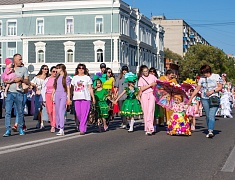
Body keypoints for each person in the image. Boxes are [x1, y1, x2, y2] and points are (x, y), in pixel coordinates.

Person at [188, 65, 223, 138]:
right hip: (204, 98)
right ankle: (209, 128)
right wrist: (191, 98)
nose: (204, 74)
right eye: (203, 73)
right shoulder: (201, 79)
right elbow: (197, 89)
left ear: (208, 71)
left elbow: (220, 87)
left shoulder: (216, 76)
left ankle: (210, 131)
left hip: (214, 97)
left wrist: (212, 91)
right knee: (207, 115)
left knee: (211, 115)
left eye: (205, 72)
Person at [3, 54, 29, 137]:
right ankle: (8, 130)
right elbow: (4, 79)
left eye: (21, 59)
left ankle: (21, 128)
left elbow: (27, 81)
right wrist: (7, 81)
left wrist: (21, 79)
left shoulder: (24, 69)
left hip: (19, 93)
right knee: (7, 112)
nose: (21, 61)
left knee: (20, 111)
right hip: (10, 93)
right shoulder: (9, 68)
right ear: (14, 60)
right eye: (19, 59)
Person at [71, 64, 95, 135]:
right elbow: (72, 88)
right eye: (79, 68)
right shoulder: (74, 78)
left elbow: (90, 88)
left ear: (84, 69)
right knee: (78, 114)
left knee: (84, 113)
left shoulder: (87, 78)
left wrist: (93, 97)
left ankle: (82, 129)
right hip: (76, 97)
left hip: (86, 97)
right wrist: (69, 96)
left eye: (82, 68)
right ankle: (83, 125)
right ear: (77, 69)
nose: (81, 70)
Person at [52, 64, 71, 136]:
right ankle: (59, 126)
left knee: (61, 111)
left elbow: (68, 88)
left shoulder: (66, 78)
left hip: (63, 95)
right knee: (57, 111)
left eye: (58, 68)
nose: (56, 70)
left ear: (61, 69)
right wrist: (52, 95)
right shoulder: (57, 78)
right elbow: (55, 87)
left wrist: (68, 98)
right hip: (57, 95)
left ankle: (62, 128)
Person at [138, 65, 157, 135]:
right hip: (144, 95)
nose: (146, 73)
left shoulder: (152, 76)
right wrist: (149, 85)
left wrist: (154, 84)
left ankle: (151, 128)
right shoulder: (141, 79)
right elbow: (141, 89)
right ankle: (147, 128)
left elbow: (157, 83)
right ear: (142, 72)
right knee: (146, 111)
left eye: (146, 71)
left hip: (151, 94)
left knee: (150, 111)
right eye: (144, 71)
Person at [31, 65, 49, 129]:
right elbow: (31, 83)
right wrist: (35, 86)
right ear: (42, 69)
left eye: (47, 69)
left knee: (44, 108)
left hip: (45, 94)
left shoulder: (48, 78)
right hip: (38, 94)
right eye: (45, 69)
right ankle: (40, 121)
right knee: (39, 109)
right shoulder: (37, 77)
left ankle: (43, 121)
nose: (46, 70)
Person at [41, 66, 57, 132]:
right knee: (49, 111)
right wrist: (43, 99)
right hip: (48, 95)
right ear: (50, 72)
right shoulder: (47, 79)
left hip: (55, 96)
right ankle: (52, 123)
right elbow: (43, 89)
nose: (55, 73)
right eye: (53, 71)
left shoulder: (58, 79)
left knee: (54, 111)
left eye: (56, 72)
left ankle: (53, 125)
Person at [149, 67, 162, 132]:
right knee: (149, 113)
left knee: (154, 113)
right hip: (148, 97)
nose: (152, 73)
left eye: (153, 72)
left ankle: (154, 126)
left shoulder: (157, 80)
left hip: (155, 98)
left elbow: (160, 89)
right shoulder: (147, 79)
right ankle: (149, 126)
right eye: (150, 71)